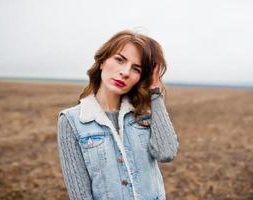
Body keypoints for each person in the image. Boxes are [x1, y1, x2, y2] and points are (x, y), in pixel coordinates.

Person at [57, 30, 179, 200]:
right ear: (102, 62)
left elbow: (166, 153)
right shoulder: (72, 121)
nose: (125, 72)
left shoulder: (144, 113)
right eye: (120, 60)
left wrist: (155, 92)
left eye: (136, 69)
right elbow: (80, 195)